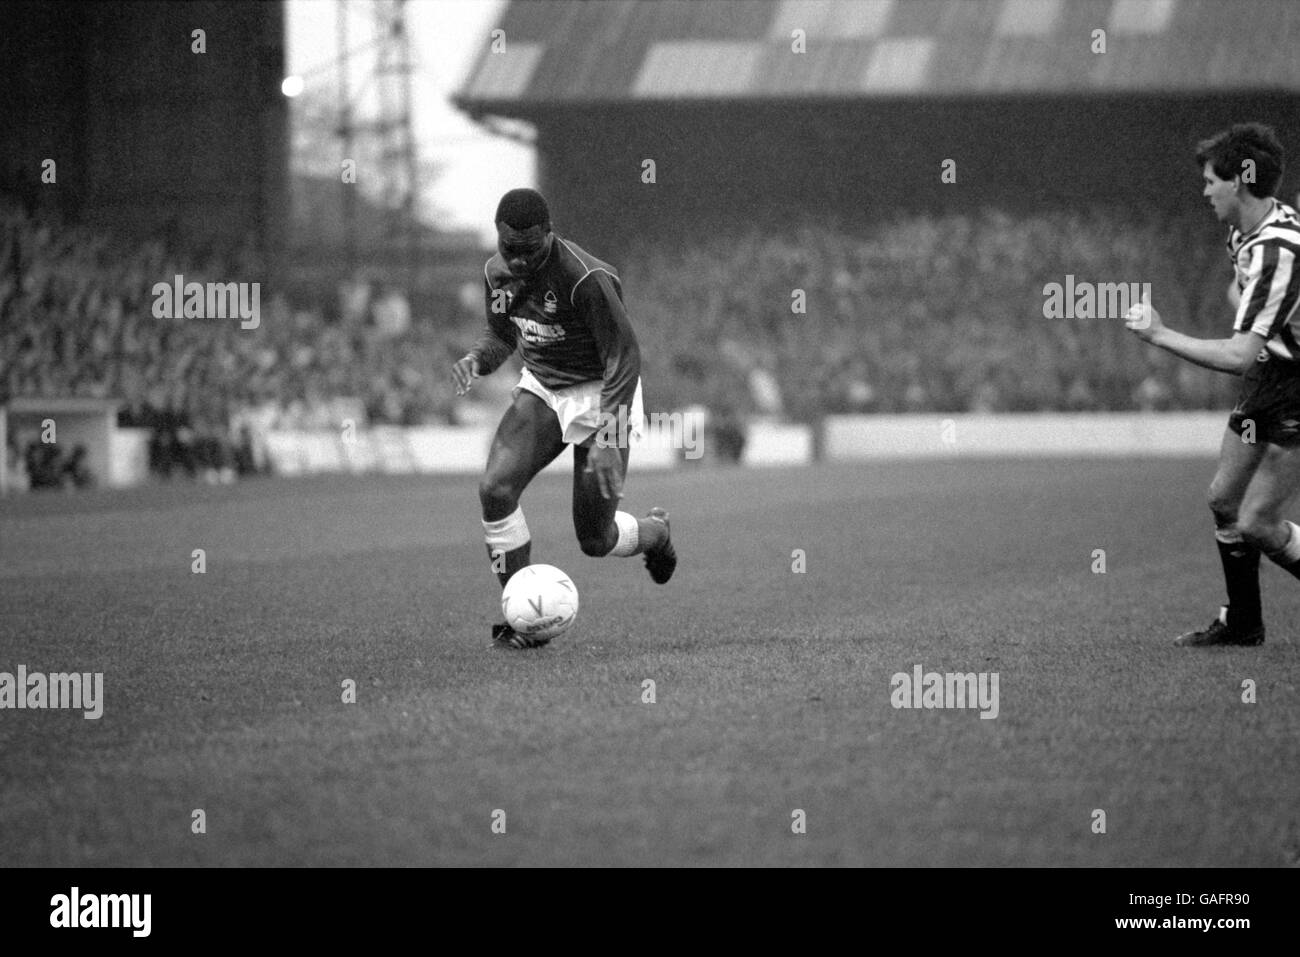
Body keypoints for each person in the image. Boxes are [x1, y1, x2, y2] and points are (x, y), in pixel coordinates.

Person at [451, 189, 677, 649]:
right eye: (509, 249)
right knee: (495, 490)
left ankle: (656, 533)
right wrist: (478, 358)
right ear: (500, 239)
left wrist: (611, 436)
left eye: (529, 251)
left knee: (594, 539)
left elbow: (624, 355)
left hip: (602, 393)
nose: (517, 262)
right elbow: (501, 336)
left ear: (548, 235)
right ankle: (523, 620)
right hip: (544, 388)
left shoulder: (584, 278)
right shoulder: (496, 274)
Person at [1125, 123, 1300, 646]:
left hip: (1295, 388)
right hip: (1273, 377)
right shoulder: (1244, 233)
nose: (1204, 192)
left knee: (1259, 524)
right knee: (1224, 500)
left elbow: (1238, 355)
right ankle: (1243, 624)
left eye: (1210, 182)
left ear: (1241, 183)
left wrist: (1160, 334)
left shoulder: (1278, 249)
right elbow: (1243, 298)